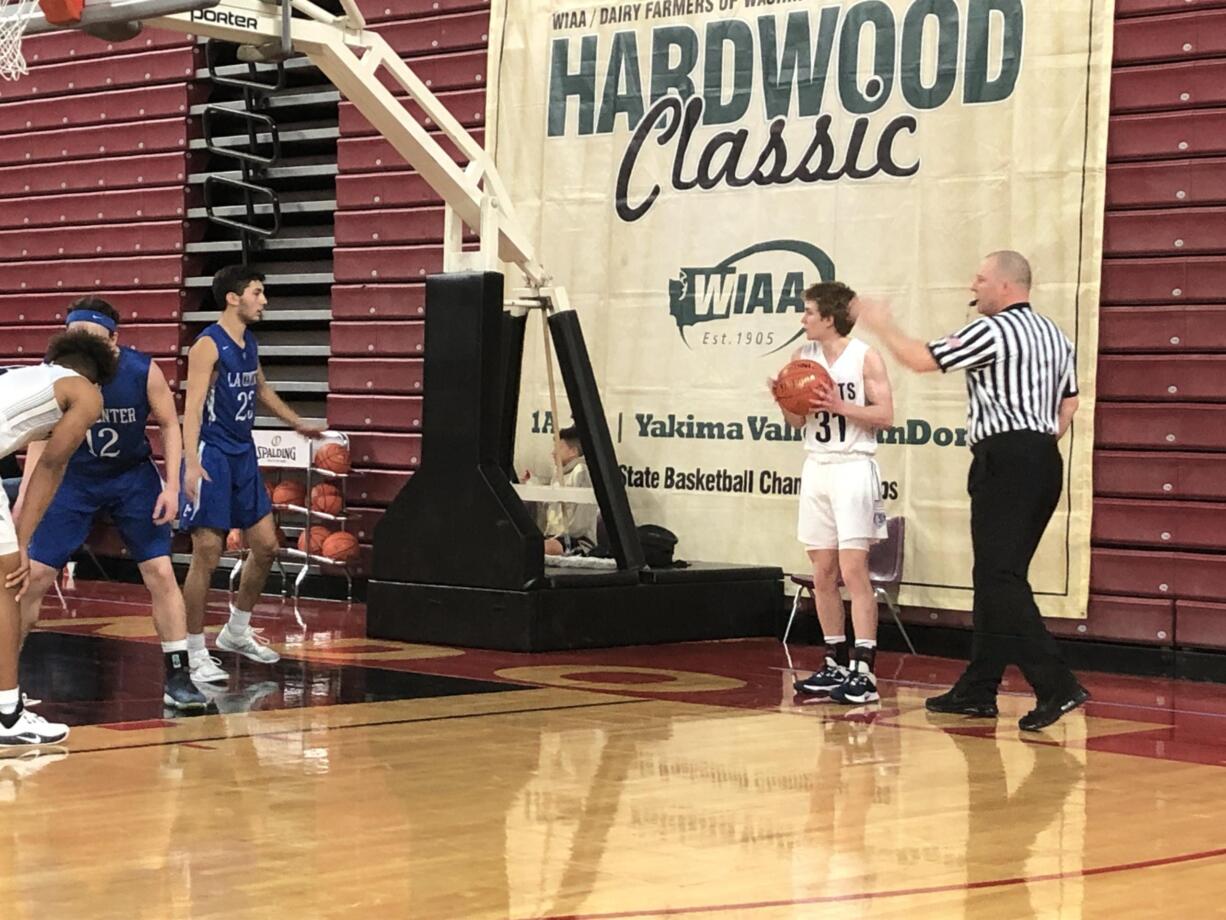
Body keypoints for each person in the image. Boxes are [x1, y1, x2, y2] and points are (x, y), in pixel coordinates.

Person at [852, 250, 1088, 731]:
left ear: (1005, 286)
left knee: (1000, 578)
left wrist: (880, 324)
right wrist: (1036, 443)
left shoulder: (992, 330)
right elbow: (1070, 404)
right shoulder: (1056, 336)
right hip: (1043, 457)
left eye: (980, 279)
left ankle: (1057, 684)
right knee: (996, 576)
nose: (972, 286)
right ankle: (980, 687)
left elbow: (921, 360)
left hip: (1006, 459)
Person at [13, 299, 207, 712]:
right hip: (73, 479)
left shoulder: (141, 370)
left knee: (159, 570)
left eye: (93, 340)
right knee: (34, 577)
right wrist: (25, 502)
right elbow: (42, 447)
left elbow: (170, 424)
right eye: (75, 339)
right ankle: (5, 680)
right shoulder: (57, 378)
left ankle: (178, 675)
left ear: (114, 341)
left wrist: (171, 486)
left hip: (129, 477)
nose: (83, 348)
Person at [180, 265, 322, 683]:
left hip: (243, 452)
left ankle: (235, 632)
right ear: (232, 297)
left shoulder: (249, 341)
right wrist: (191, 461)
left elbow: (261, 390)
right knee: (207, 551)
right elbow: (191, 408)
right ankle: (192, 652)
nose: (264, 301)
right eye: (258, 292)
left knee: (265, 545)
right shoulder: (207, 345)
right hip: (214, 452)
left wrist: (297, 422)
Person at [774, 281, 894, 705]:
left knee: (854, 569)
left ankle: (865, 670)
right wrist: (783, 400)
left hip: (853, 466)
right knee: (821, 571)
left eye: (808, 312)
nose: (802, 319)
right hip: (817, 467)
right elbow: (794, 423)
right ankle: (834, 660)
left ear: (828, 317)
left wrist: (840, 406)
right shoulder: (800, 358)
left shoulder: (865, 357)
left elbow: (886, 415)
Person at [0, 330, 117, 745]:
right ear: (97, 376)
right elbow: (51, 465)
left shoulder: (28, 377)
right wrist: (25, 540)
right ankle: (7, 715)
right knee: (8, 587)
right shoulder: (87, 393)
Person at [536, 426, 598, 557]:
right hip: (554, 537)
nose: (553, 453)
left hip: (578, 540)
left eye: (558, 448)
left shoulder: (582, 472)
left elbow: (580, 524)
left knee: (540, 549)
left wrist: (558, 537)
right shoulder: (557, 475)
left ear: (573, 452)